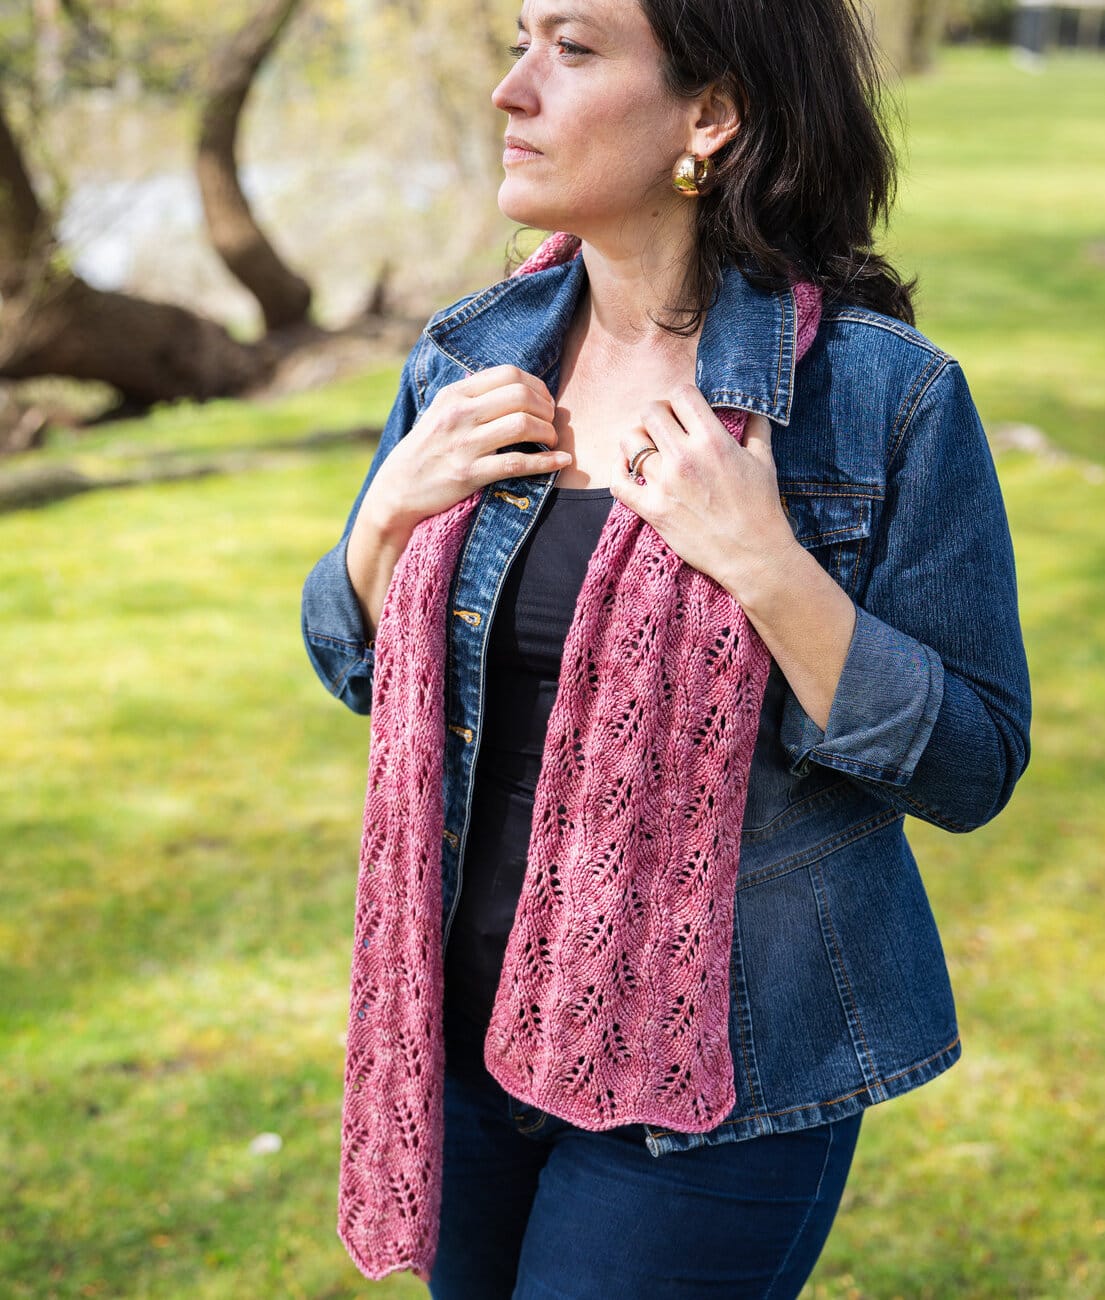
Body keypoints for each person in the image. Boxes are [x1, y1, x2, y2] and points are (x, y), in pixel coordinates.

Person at [301, 0, 1032, 1295]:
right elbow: (353, 663)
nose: (512, 90)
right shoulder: (468, 359)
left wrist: (766, 566)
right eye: (518, 43)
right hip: (451, 1037)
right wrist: (382, 523)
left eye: (572, 49)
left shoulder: (877, 396)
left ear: (710, 114)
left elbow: (971, 765)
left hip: (720, 1080)